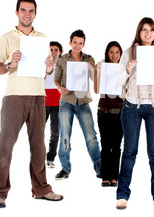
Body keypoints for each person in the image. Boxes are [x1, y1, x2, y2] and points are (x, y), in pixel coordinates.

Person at [0, 0, 63, 208]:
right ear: (17, 12)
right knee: (5, 145)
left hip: (39, 97)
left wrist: (49, 67)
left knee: (39, 146)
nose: (27, 14)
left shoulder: (42, 38)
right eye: (23, 10)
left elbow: (45, 71)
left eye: (31, 10)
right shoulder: (7, 38)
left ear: (35, 14)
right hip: (14, 97)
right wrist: (11, 64)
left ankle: (41, 189)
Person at [115, 17, 154, 211]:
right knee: (130, 151)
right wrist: (128, 69)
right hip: (132, 106)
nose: (148, 33)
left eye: (151, 30)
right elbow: (118, 81)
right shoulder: (128, 52)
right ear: (139, 32)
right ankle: (122, 194)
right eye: (144, 30)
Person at [54, 29, 101, 180]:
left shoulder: (88, 59)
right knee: (65, 135)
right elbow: (56, 78)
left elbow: (96, 82)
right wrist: (59, 87)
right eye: (75, 42)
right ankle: (65, 168)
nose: (77, 45)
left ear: (83, 44)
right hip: (66, 100)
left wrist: (93, 68)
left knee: (91, 136)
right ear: (70, 43)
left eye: (80, 43)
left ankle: (100, 168)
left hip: (83, 101)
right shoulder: (61, 59)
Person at [94, 41, 124, 187]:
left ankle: (114, 176)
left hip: (120, 113)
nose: (114, 55)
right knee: (105, 145)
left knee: (117, 146)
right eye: (111, 52)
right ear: (107, 53)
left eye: (117, 52)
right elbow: (95, 89)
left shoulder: (124, 69)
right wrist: (98, 70)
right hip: (104, 112)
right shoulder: (103, 68)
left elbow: (128, 91)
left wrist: (124, 94)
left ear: (121, 54)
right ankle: (105, 176)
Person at [44, 41, 63, 168]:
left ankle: (50, 158)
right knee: (38, 132)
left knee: (55, 133)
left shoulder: (63, 65)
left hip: (58, 103)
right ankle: (38, 156)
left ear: (60, 52)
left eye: (56, 49)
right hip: (43, 102)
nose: (54, 51)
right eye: (51, 49)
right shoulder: (42, 63)